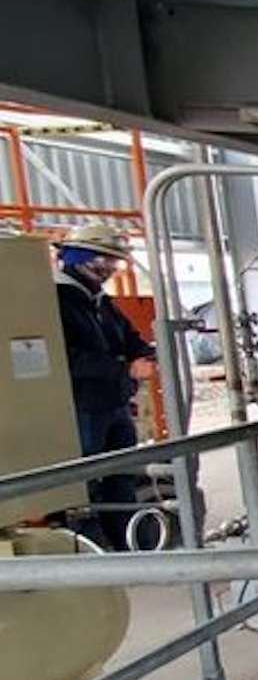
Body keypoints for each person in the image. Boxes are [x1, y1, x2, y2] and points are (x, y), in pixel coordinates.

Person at [52, 224, 154, 551]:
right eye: (103, 260)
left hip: (114, 405)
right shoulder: (57, 300)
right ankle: (88, 548)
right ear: (78, 257)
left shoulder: (99, 301)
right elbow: (65, 358)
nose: (109, 268)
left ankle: (127, 542)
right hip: (81, 408)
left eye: (114, 262)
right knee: (84, 483)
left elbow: (130, 338)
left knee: (121, 476)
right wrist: (123, 368)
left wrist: (145, 354)